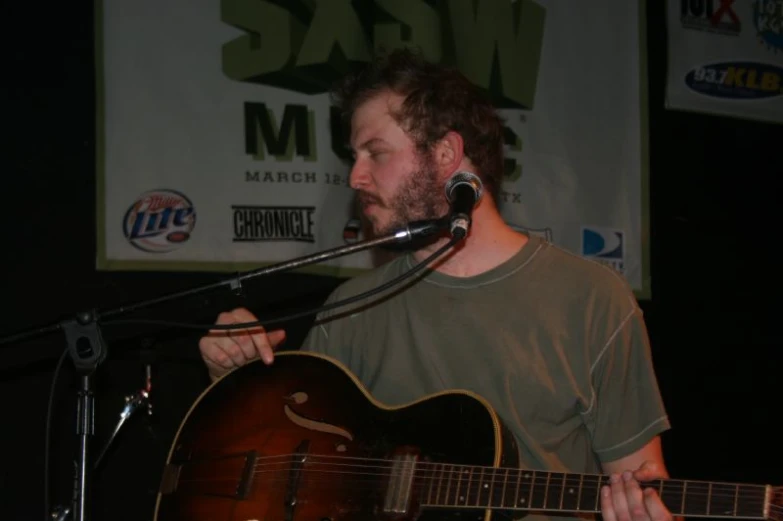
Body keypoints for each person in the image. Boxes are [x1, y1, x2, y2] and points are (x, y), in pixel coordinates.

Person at [199, 48, 674, 521]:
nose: (355, 176)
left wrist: (648, 515)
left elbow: (643, 478)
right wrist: (234, 374)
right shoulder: (352, 307)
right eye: (354, 156)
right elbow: (286, 463)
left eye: (375, 153)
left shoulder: (593, 299)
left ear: (447, 153)